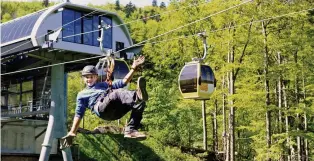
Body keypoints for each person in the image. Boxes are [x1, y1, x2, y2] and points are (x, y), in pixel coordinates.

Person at [65, 56, 148, 140]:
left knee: (140, 103)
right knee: (117, 93)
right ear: (83, 79)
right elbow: (78, 114)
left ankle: (131, 130)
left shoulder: (103, 85)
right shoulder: (82, 94)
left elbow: (123, 82)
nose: (89, 79)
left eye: (91, 77)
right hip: (101, 108)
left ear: (96, 77)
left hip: (116, 112)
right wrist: (73, 131)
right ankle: (137, 96)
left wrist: (133, 68)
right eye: (87, 77)